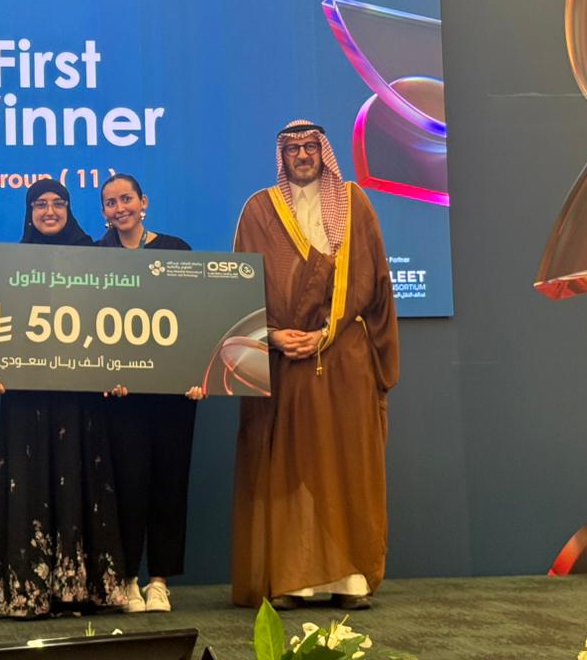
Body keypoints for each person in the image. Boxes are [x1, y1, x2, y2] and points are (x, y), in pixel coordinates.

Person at [231, 120, 399, 611]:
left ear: (323, 152)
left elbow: (375, 281)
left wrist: (330, 329)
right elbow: (240, 285)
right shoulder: (259, 209)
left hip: (343, 356)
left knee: (345, 462)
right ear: (281, 157)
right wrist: (272, 335)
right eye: (293, 149)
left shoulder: (354, 203)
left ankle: (349, 579)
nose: (303, 156)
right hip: (284, 361)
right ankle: (292, 580)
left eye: (310, 147)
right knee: (290, 467)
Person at [0, 178, 128, 618]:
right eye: (40, 204)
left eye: (58, 203)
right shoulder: (10, 262)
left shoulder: (95, 258)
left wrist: (115, 369)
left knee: (77, 476)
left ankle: (77, 591)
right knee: (28, 482)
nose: (49, 211)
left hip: (78, 397)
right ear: (29, 212)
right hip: (25, 398)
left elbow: (112, 317)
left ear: (69, 209)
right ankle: (29, 591)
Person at [96, 174, 202, 614]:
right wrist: (103, 373)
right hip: (121, 398)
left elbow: (196, 316)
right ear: (103, 212)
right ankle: (127, 580)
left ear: (144, 202)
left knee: (169, 486)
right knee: (126, 488)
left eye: (126, 199)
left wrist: (198, 374)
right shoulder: (95, 257)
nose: (119, 208)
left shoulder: (177, 251)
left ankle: (159, 581)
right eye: (110, 202)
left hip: (173, 395)